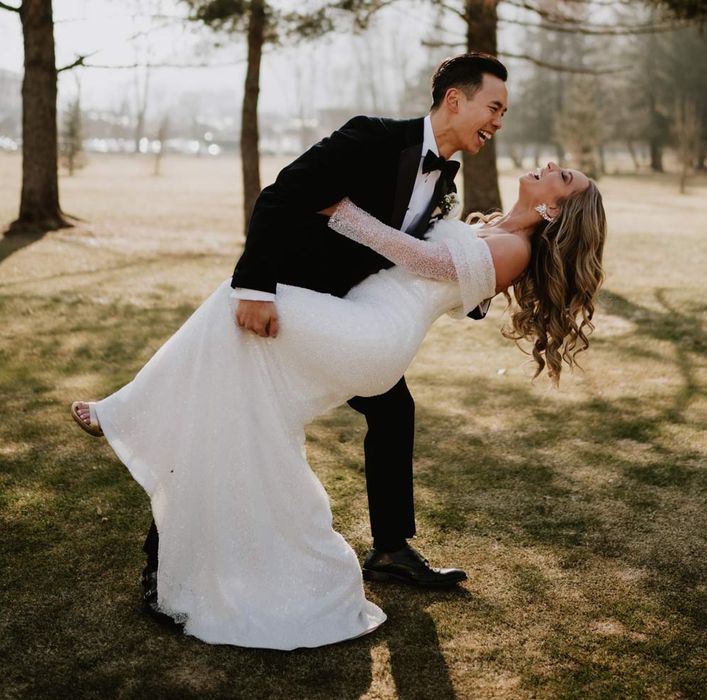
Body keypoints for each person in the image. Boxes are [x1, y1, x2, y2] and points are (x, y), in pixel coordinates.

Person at [71, 159, 606, 649]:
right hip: (356, 322)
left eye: (565, 179)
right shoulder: (490, 228)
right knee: (235, 366)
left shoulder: (517, 250)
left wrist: (343, 210)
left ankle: (122, 412)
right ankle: (189, 527)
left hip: (373, 335)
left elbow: (420, 257)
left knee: (237, 299)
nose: (554, 168)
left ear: (553, 209)